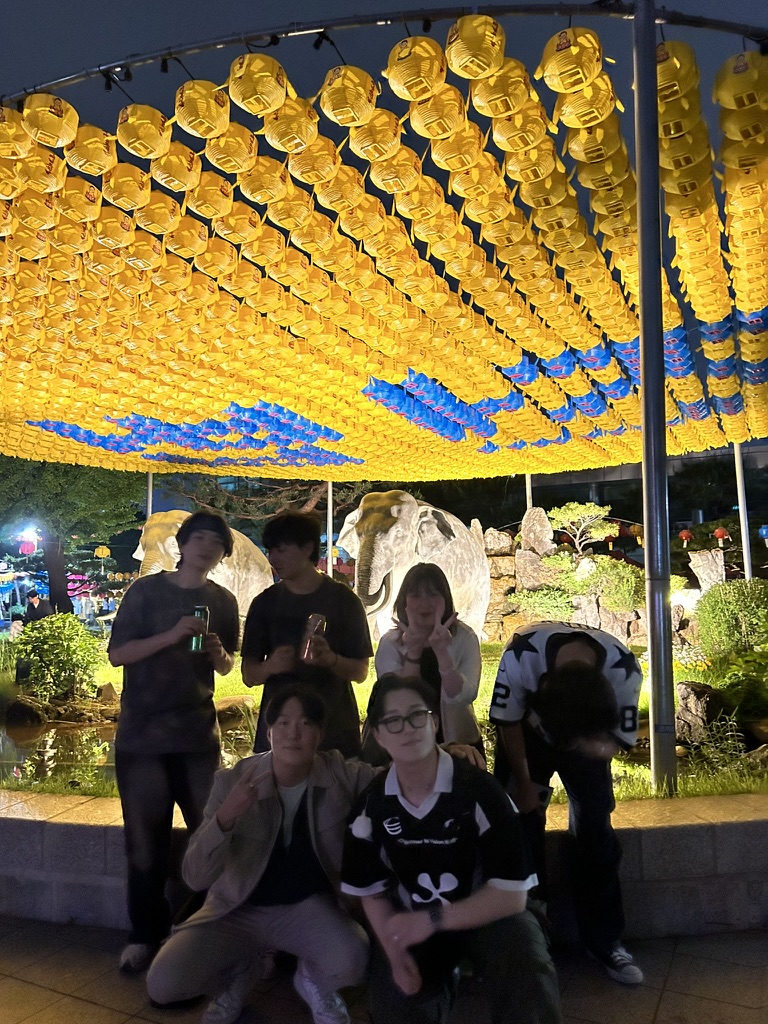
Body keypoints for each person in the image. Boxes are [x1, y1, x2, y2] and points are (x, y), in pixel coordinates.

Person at [341, 674, 562, 1024]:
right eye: (393, 721)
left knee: (526, 965)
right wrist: (396, 953)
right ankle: (438, 984)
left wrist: (430, 920)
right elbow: (371, 891)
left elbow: (511, 895)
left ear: (435, 722)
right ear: (378, 735)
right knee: (395, 1005)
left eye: (417, 715)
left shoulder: (481, 791)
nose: (408, 728)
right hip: (412, 918)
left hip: (489, 914)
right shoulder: (371, 806)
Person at [147, 685, 372, 1024]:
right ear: (268, 733)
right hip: (237, 909)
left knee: (353, 960)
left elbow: (398, 776)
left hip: (307, 908)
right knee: (164, 984)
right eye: (283, 723)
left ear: (320, 734)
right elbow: (195, 875)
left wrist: (444, 752)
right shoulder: (233, 782)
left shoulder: (340, 775)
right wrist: (226, 816)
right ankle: (240, 973)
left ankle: (312, 979)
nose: (293, 733)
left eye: (306, 723)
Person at [108, 511, 240, 974]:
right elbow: (118, 653)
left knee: (210, 837)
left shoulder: (222, 600)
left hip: (198, 737)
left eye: (216, 543)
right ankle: (145, 934)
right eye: (198, 538)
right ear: (181, 545)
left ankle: (199, 930)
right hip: (142, 738)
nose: (206, 547)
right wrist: (172, 634)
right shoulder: (146, 592)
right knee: (145, 842)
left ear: (223, 554)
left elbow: (227, 665)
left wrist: (217, 654)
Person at [489, 621, 644, 985]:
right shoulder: (521, 656)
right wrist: (524, 783)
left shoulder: (623, 670)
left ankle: (604, 940)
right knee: (519, 827)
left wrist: (589, 744)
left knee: (595, 828)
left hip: (589, 738)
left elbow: (619, 741)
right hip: (529, 732)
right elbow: (508, 723)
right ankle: (530, 939)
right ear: (542, 686)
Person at [242, 512, 372, 758]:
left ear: (307, 548)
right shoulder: (264, 603)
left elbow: (361, 672)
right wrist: (270, 666)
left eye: (281, 550)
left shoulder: (344, 601)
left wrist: (331, 660)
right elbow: (249, 675)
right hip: (278, 738)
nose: (273, 558)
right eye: (270, 551)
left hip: (334, 735)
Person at [373, 562, 481, 753]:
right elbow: (400, 701)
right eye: (415, 595)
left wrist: (442, 653)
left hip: (460, 744)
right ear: (404, 601)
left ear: (445, 599)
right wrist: (413, 652)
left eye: (432, 594)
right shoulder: (390, 643)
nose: (425, 602)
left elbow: (464, 696)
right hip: (406, 744)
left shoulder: (465, 637)